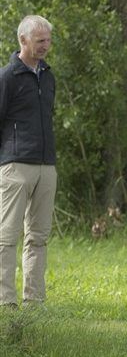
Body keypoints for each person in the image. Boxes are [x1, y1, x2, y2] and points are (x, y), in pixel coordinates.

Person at [0, 15, 58, 309]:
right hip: (15, 165)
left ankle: (34, 301)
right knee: (7, 236)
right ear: (23, 41)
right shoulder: (7, 77)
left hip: (47, 166)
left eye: (48, 40)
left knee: (38, 237)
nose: (46, 45)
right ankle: (5, 300)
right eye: (40, 41)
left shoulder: (48, 76)